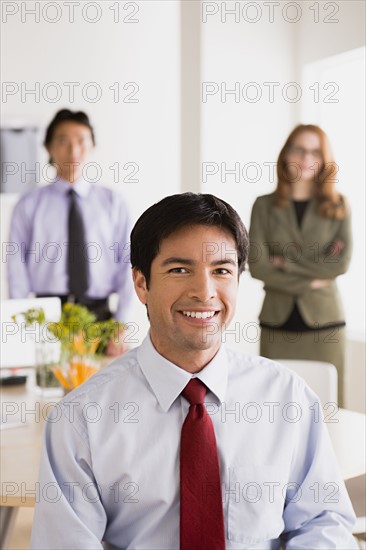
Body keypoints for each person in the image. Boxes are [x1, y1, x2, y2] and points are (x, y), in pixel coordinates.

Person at [30, 193, 357, 549]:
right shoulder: (81, 419)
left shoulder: (287, 397)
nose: (204, 292)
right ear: (141, 284)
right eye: (179, 270)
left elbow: (323, 523)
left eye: (221, 271)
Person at [248, 125, 352, 407]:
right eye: (298, 148)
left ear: (325, 158)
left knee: (328, 411)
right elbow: (257, 266)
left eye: (315, 151)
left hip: (325, 325)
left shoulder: (338, 206)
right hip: (277, 324)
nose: (306, 158)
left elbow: (339, 263)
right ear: (285, 154)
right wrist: (311, 280)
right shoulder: (264, 206)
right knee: (274, 409)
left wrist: (285, 264)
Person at [7, 109, 133, 322]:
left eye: (81, 141)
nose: (73, 151)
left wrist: (122, 324)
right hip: (44, 317)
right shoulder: (28, 205)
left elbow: (129, 263)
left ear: (92, 146)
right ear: (48, 147)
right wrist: (21, 325)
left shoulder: (113, 203)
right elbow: (16, 269)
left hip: (100, 317)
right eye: (64, 141)